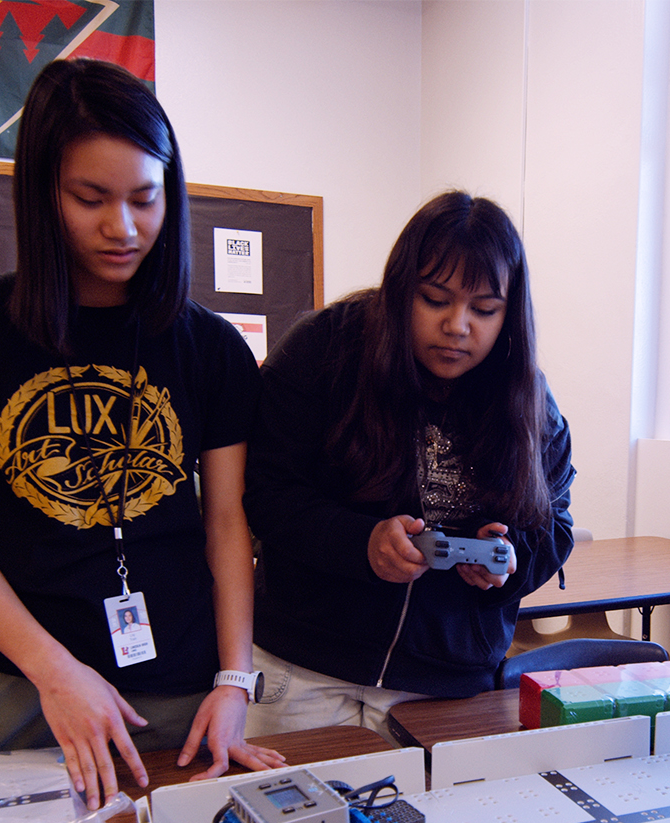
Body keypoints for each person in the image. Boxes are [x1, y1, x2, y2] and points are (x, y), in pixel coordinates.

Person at [0, 58, 285, 809]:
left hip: (176, 685)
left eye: (145, 198)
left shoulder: (210, 346)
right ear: (44, 193)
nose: (123, 227)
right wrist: (56, 671)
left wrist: (235, 681)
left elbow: (228, 523)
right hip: (10, 677)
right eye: (90, 198)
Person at [244, 191, 575, 734]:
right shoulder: (324, 351)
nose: (458, 325)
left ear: (509, 313)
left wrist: (510, 559)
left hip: (445, 680)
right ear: (401, 290)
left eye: (485, 309)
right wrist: (361, 543)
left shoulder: (527, 398)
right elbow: (267, 492)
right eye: (435, 299)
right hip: (302, 667)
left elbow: (553, 523)